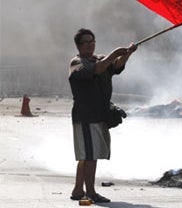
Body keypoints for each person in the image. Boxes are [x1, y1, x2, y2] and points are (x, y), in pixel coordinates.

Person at [68, 28, 137, 203]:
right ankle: (90, 192)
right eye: (87, 42)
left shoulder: (99, 59)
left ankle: (78, 190)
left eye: (93, 41)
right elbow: (97, 69)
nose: (91, 45)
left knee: (88, 155)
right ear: (79, 45)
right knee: (90, 157)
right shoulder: (77, 63)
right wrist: (114, 53)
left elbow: (116, 66)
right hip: (86, 116)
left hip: (99, 115)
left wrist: (128, 54)